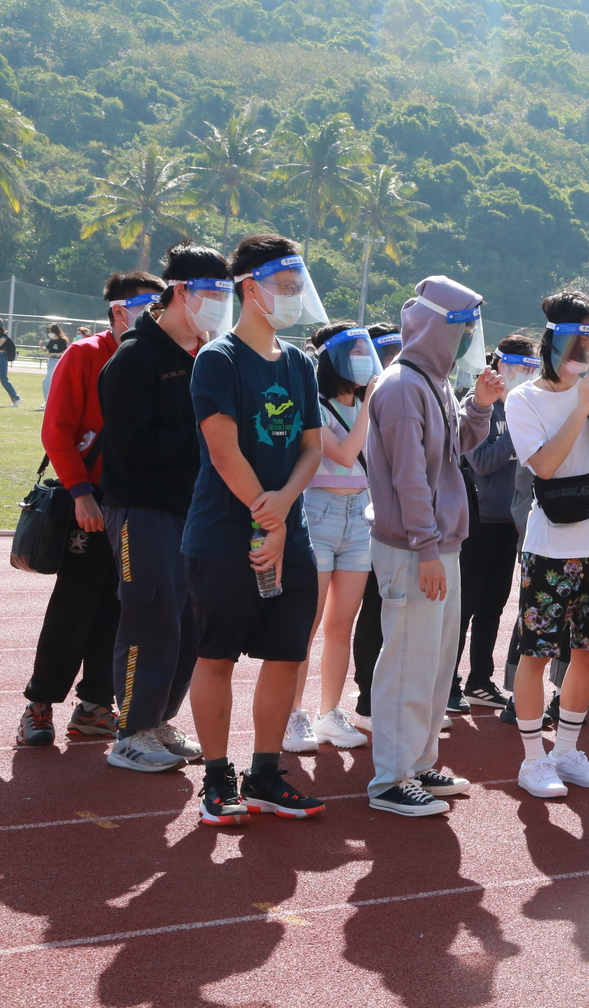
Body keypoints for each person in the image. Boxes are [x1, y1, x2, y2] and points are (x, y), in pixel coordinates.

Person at [183, 235, 327, 825]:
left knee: (287, 655)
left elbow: (313, 449)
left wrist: (283, 511)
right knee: (217, 655)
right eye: (285, 287)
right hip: (222, 535)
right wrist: (265, 517)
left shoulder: (298, 363)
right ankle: (217, 781)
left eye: (298, 287)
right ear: (251, 287)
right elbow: (223, 451)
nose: (294, 298)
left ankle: (264, 774)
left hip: (289, 536)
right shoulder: (216, 359)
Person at [364, 276, 500, 816]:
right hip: (413, 545)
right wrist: (424, 549)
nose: (470, 338)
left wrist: (481, 407)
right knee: (407, 663)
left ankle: (419, 763)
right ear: (437, 327)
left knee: (437, 663)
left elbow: (452, 452)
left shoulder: (432, 382)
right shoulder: (401, 387)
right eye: (463, 328)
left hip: (439, 542)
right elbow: (409, 480)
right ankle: (390, 779)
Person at [97, 246, 231, 773]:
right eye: (212, 293)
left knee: (189, 623)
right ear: (180, 292)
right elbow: (131, 443)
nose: (220, 305)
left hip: (191, 512)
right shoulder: (135, 357)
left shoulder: (197, 356)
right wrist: (205, 440)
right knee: (150, 617)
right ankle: (130, 731)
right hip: (142, 509)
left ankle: (158, 721)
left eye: (225, 294)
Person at [15, 274, 163, 748]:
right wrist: (80, 493)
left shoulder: (165, 356)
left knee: (120, 609)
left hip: (140, 505)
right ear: (121, 311)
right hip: (92, 501)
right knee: (74, 604)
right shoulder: (85, 354)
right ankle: (39, 704)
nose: (160, 313)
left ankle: (96, 706)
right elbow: (56, 430)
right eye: (150, 305)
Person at [503, 287, 589, 797]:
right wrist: (579, 408)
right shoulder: (524, 398)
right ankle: (533, 758)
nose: (588, 348)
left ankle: (568, 750)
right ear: (555, 340)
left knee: (588, 652)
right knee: (536, 653)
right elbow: (543, 465)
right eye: (580, 337)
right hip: (550, 544)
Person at [282, 323, 381, 753]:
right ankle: (292, 715)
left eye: (367, 351)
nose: (365, 358)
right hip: (317, 512)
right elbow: (340, 453)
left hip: (360, 515)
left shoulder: (364, 401)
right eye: (356, 351)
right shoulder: (314, 403)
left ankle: (329, 712)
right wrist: (371, 405)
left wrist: (369, 402)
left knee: (342, 624)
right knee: (307, 621)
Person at [452, 336, 538, 716]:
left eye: (532, 368)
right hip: (479, 520)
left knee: (493, 606)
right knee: (463, 606)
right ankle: (447, 683)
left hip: (513, 521)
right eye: (520, 366)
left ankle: (480, 681)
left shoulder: (530, 405)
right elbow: (481, 462)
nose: (526, 374)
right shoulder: (479, 405)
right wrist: (516, 434)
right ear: (499, 365)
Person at [348, 322, 400, 726]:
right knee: (369, 610)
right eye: (385, 352)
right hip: (357, 519)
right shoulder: (357, 401)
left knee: (389, 609)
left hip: (391, 518)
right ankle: (365, 696)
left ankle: (381, 692)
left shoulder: (405, 392)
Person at [0, 318, 19, 405]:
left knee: (4, 380)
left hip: (1, 358)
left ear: (0, 326)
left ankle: (16, 398)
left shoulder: (3, 336)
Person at [41, 323, 67, 402]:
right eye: (48, 331)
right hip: (50, 361)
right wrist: (41, 346)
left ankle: (47, 402)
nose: (50, 333)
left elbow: (65, 353)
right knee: (50, 382)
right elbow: (46, 349)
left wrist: (53, 354)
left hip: (57, 361)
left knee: (45, 382)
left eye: (51, 331)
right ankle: (50, 401)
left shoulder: (62, 341)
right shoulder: (52, 340)